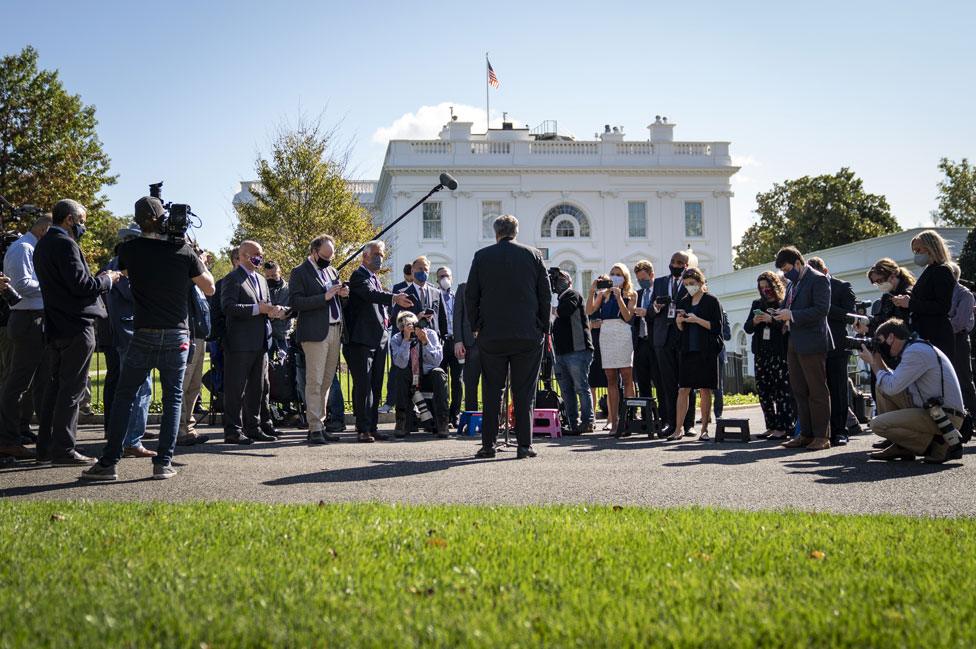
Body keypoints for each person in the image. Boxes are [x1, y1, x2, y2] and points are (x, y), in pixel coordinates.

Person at [81, 195, 215, 480]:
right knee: (172, 398)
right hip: (176, 334)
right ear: (163, 219)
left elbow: (119, 271)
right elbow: (210, 288)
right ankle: (163, 463)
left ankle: (109, 463)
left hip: (143, 333)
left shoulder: (130, 250)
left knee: (124, 396)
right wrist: (196, 259)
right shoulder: (182, 250)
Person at [33, 199, 120, 465]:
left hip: (57, 325)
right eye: (82, 220)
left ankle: (45, 448)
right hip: (76, 325)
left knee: (55, 389)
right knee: (72, 390)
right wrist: (108, 279)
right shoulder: (65, 243)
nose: (84, 225)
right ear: (69, 219)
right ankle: (64, 450)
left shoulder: (43, 245)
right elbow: (82, 285)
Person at [466, 215, 550, 459]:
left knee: (492, 390)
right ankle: (524, 445)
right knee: (524, 392)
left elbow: (471, 295)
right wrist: (542, 327)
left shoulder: (482, 256)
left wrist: (476, 326)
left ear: (496, 233)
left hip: (492, 334)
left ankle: (488, 444)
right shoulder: (533, 255)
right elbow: (544, 295)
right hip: (527, 334)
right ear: (516, 231)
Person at [859, 318, 965, 463]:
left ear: (891, 337)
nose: (881, 346)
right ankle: (903, 445)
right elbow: (890, 383)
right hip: (932, 410)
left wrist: (872, 361)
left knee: (877, 424)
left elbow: (892, 387)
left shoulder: (916, 351)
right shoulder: (914, 347)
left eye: (881, 341)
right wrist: (875, 356)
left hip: (944, 417)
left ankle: (940, 443)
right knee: (881, 385)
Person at [344, 241, 414, 443]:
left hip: (379, 338)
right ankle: (362, 427)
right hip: (362, 339)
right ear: (365, 256)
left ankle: (372, 426)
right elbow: (370, 295)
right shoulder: (359, 276)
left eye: (381, 254)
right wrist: (394, 298)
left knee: (376, 384)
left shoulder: (375, 278)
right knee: (363, 385)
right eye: (376, 254)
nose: (379, 258)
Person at [221, 240, 284, 444]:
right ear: (244, 255)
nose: (260, 257)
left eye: (261, 254)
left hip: (261, 341)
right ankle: (233, 430)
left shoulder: (261, 279)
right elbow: (228, 307)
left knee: (258, 388)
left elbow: (265, 306)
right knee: (235, 388)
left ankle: (253, 427)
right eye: (257, 254)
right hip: (239, 343)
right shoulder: (232, 279)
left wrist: (273, 311)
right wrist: (258, 309)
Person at [288, 234, 349, 445]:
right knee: (314, 381)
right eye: (325, 256)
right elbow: (295, 303)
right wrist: (324, 297)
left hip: (334, 330)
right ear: (314, 252)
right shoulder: (299, 272)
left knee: (326, 382)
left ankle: (320, 424)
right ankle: (313, 427)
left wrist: (342, 294)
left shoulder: (332, 271)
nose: (329, 260)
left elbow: (336, 299)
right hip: (314, 333)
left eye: (332, 256)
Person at [0, 215, 52, 460]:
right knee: (17, 383)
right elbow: (21, 285)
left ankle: (43, 437)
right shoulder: (22, 248)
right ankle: (8, 439)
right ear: (45, 229)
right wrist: (56, 285)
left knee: (41, 382)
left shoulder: (31, 247)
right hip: (27, 318)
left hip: (36, 318)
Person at [103, 223, 156, 458]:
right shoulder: (122, 267)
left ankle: (128, 437)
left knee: (133, 389)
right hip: (130, 334)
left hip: (128, 332)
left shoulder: (116, 265)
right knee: (141, 389)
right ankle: (131, 440)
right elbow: (133, 294)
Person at [774, 246, 833, 451]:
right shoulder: (792, 283)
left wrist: (792, 315)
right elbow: (792, 307)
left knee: (817, 390)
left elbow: (821, 310)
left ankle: (822, 435)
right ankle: (805, 434)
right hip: (794, 340)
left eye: (787, 268)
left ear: (798, 262)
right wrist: (782, 313)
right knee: (799, 389)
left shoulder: (818, 279)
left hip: (813, 341)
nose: (785, 273)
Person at [807, 257, 856, 446]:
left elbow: (850, 316)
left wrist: (823, 307)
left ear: (825, 271)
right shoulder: (805, 288)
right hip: (814, 346)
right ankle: (819, 431)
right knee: (816, 391)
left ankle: (840, 431)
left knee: (838, 390)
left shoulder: (842, 286)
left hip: (837, 346)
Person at [669, 268, 723, 441]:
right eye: (686, 285)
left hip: (706, 351)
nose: (689, 287)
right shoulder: (684, 301)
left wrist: (696, 320)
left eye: (692, 284)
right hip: (687, 351)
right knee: (683, 389)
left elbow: (716, 327)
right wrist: (679, 323)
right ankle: (678, 429)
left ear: (700, 282)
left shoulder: (711, 301)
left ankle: (705, 429)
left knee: (705, 390)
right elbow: (679, 331)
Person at [650, 250, 697, 437]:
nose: (675, 265)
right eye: (672, 261)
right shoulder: (660, 282)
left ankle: (689, 424)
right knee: (668, 383)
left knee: (687, 382)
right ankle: (670, 422)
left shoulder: (691, 283)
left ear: (686, 266)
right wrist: (656, 307)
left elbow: (696, 304)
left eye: (679, 263)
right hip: (663, 337)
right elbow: (650, 312)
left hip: (683, 335)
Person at [586, 263, 635, 436]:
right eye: (613, 274)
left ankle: (628, 420)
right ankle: (614, 422)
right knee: (610, 379)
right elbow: (589, 310)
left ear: (625, 277)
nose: (615, 277)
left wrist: (619, 297)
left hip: (622, 332)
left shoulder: (631, 294)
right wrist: (592, 291)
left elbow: (628, 316)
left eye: (619, 274)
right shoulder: (604, 294)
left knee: (627, 375)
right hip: (606, 334)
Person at [743, 272, 794, 439]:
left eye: (768, 287)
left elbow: (786, 328)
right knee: (764, 391)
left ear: (775, 286)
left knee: (781, 391)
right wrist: (755, 321)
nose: (765, 290)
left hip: (779, 353)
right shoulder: (757, 303)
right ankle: (771, 425)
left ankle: (783, 427)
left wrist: (771, 320)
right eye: (762, 288)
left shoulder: (784, 303)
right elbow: (747, 327)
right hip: (761, 353)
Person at [891, 230, 955, 357]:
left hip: (937, 336)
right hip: (925, 333)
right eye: (914, 251)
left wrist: (910, 303)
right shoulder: (929, 270)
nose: (917, 254)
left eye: (919, 250)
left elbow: (943, 306)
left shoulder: (942, 270)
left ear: (931, 248)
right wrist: (905, 302)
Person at [390, 310, 449, 437]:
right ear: (401, 328)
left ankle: (442, 422)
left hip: (427, 375)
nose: (412, 328)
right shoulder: (397, 339)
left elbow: (437, 360)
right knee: (400, 373)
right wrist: (406, 341)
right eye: (406, 326)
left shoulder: (430, 334)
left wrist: (425, 341)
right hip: (409, 377)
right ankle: (402, 422)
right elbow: (400, 363)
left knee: (439, 374)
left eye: (413, 324)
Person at [551, 268, 593, 434]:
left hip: (578, 350)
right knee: (567, 390)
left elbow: (564, 311)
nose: (558, 282)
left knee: (581, 387)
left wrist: (552, 310)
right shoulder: (561, 298)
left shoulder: (572, 294)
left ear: (569, 281)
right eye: (556, 279)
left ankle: (587, 422)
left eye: (562, 278)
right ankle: (572, 422)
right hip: (562, 352)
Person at [378, 264, 414, 416]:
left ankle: (414, 403)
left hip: (415, 332)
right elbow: (393, 310)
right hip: (400, 332)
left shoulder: (426, 288)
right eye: (407, 274)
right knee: (395, 370)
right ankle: (389, 401)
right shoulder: (398, 288)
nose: (410, 276)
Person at [947, 263, 976, 420]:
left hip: (959, 340)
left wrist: (938, 326)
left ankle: (973, 417)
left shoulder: (965, 295)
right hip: (944, 339)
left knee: (964, 379)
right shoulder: (941, 293)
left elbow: (959, 323)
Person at [436, 266, 462, 426]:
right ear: (437, 279)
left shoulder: (456, 297)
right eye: (441, 276)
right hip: (441, 342)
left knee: (458, 381)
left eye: (446, 275)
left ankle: (455, 413)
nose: (444, 278)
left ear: (451, 278)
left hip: (456, 342)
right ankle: (443, 414)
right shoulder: (435, 296)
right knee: (441, 380)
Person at [631, 260, 659, 409]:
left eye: (644, 279)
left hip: (656, 342)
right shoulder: (638, 294)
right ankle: (647, 416)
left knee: (659, 380)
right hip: (641, 342)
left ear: (652, 275)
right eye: (639, 280)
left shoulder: (659, 292)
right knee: (642, 381)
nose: (642, 282)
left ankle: (663, 416)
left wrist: (646, 313)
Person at [452, 280, 481, 412]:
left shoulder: (494, 285)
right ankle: (471, 416)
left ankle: (493, 420)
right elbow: (457, 315)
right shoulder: (463, 288)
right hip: (469, 343)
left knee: (493, 384)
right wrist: (458, 340)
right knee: (470, 384)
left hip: (490, 343)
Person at [263, 261, 292, 354]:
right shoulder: (261, 289)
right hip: (266, 335)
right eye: (268, 276)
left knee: (284, 365)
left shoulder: (290, 289)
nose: (271, 278)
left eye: (274, 276)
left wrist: (283, 310)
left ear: (280, 273)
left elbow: (297, 308)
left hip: (284, 335)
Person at [713, 310, 731, 419]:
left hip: (717, 352)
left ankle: (718, 414)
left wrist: (714, 333)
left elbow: (728, 335)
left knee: (718, 386)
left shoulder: (722, 313)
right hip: (703, 352)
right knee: (703, 386)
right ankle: (705, 416)